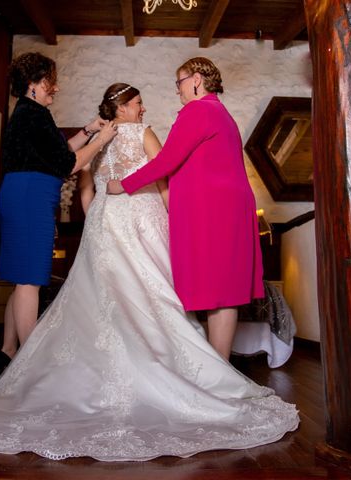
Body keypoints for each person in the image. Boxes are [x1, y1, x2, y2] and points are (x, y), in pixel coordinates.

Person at [0, 83, 299, 461]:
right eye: (137, 102)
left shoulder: (100, 143)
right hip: (143, 220)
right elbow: (163, 177)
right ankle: (191, 368)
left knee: (105, 298)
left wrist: (97, 224)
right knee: (154, 291)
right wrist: (172, 215)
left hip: (107, 223)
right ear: (124, 107)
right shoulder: (144, 132)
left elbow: (87, 192)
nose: (142, 108)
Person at [107, 57, 263, 360]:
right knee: (224, 291)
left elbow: (165, 162)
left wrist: (123, 185)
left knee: (222, 290)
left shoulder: (199, 110)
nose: (177, 91)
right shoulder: (218, 111)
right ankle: (222, 365)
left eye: (178, 83)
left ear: (195, 80)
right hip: (225, 208)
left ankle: (220, 368)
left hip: (215, 211)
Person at [0, 52, 117, 362]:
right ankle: (30, 362)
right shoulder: (33, 115)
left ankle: (8, 349)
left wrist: (88, 131)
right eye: (51, 81)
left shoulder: (28, 113)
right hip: (30, 198)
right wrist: (101, 139)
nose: (56, 88)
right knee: (31, 279)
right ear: (33, 84)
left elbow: (57, 151)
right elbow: (70, 163)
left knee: (22, 276)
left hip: (24, 194)